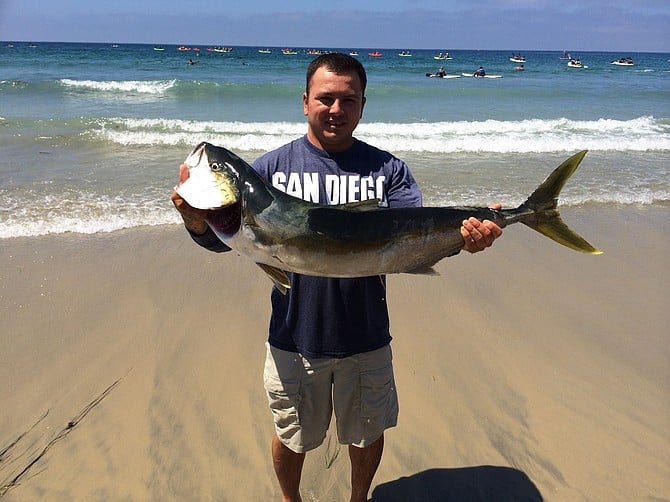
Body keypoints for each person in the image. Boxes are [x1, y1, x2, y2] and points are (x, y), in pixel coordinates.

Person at [171, 52, 502, 502]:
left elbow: (408, 240)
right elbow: (221, 240)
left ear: (363, 106)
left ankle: (358, 499)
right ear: (305, 102)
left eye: (348, 100)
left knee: (366, 434)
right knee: (292, 435)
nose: (336, 109)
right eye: (325, 98)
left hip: (366, 335)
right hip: (293, 337)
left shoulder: (389, 171)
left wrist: (466, 236)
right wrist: (195, 219)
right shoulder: (269, 170)